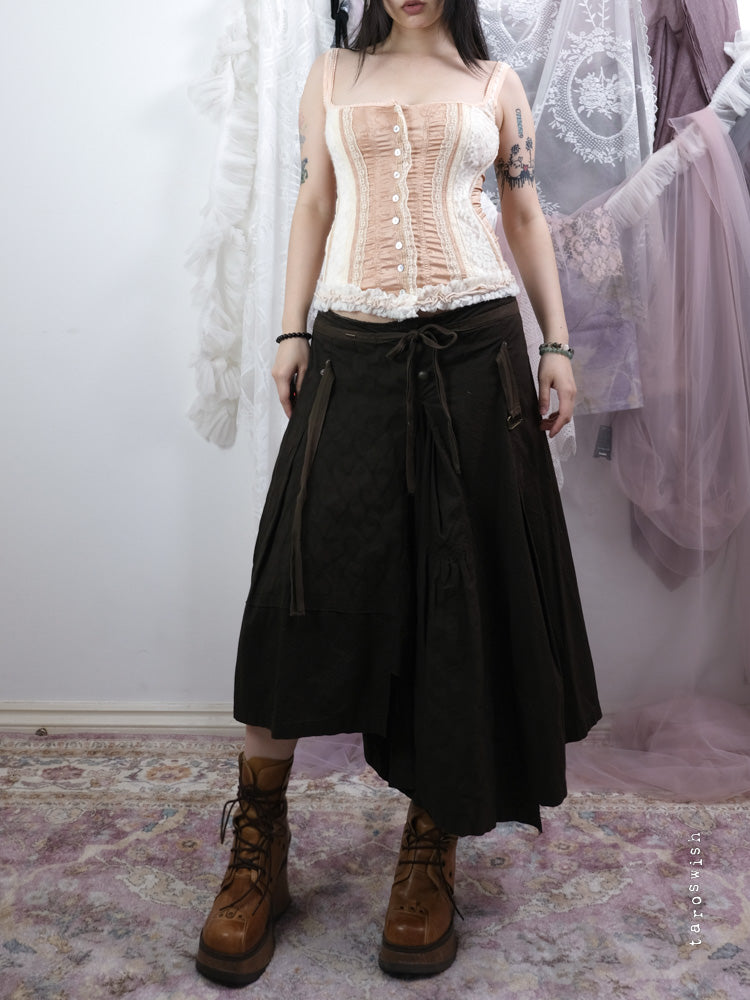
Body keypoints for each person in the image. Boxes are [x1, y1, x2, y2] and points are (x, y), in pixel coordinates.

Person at [196, 0, 601, 986]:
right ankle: (259, 847)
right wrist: (291, 330)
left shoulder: (494, 87)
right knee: (296, 584)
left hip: (477, 349)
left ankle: (431, 840)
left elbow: (522, 214)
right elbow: (316, 202)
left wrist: (555, 342)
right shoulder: (333, 74)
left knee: (457, 594)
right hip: (354, 348)